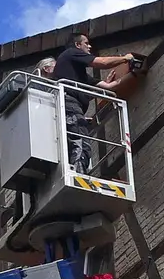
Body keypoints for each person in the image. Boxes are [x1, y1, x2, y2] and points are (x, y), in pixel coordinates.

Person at [54, 32, 135, 174]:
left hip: (71, 106)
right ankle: (78, 175)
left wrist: (134, 72)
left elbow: (109, 87)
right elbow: (101, 63)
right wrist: (124, 58)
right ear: (77, 45)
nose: (89, 46)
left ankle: (77, 172)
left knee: (78, 144)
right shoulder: (71, 53)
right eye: (86, 43)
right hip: (70, 104)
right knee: (81, 144)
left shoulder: (80, 75)